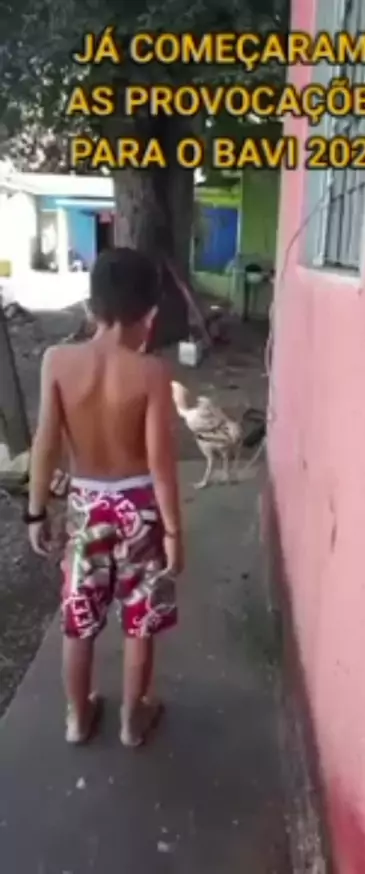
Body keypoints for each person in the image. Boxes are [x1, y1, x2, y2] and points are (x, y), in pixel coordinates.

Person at [25, 247, 184, 747]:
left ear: (91, 307)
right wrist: (174, 532)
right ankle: (133, 721)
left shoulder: (57, 362)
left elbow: (46, 445)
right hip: (139, 512)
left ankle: (78, 717)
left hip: (85, 511)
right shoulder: (152, 373)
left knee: (79, 619)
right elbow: (161, 464)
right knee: (140, 621)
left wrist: (36, 513)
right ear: (150, 315)